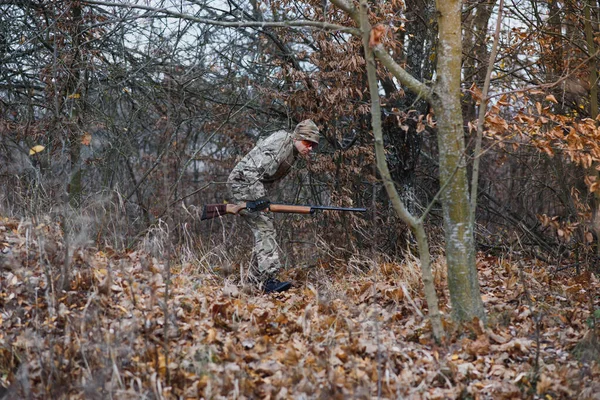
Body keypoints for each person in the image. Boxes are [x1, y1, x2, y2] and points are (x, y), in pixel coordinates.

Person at [228, 120, 320, 293]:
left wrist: (263, 199)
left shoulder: (291, 148)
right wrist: (260, 198)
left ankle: (255, 279)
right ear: (298, 138)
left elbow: (265, 176)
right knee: (265, 228)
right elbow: (250, 171)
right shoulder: (281, 144)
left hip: (250, 186)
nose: (310, 148)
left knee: (264, 227)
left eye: (313, 145)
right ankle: (268, 281)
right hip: (242, 184)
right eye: (308, 143)